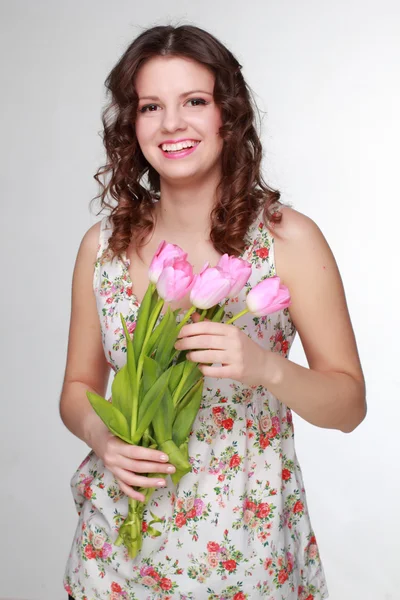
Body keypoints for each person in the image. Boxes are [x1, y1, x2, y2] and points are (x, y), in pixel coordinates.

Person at [60, 24, 366, 600]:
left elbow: (349, 406)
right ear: (132, 125)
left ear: (229, 114)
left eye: (194, 102)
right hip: (114, 555)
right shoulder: (101, 247)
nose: (171, 123)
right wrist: (102, 436)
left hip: (245, 558)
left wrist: (266, 366)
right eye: (151, 106)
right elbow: (78, 386)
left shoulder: (287, 241)